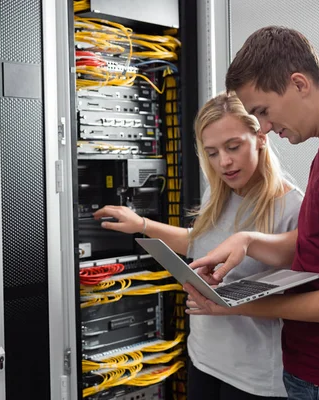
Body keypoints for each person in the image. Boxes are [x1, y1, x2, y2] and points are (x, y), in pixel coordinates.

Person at [185, 26, 319, 400]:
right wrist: (249, 240)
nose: (265, 128)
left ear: (299, 83)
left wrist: (243, 307)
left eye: (263, 111)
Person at [93, 92, 303, 400]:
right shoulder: (218, 194)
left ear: (260, 136)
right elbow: (200, 242)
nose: (224, 162)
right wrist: (142, 225)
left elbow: (300, 298)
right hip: (204, 358)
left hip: (254, 376)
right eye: (213, 153)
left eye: (233, 147)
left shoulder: (291, 207)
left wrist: (232, 302)